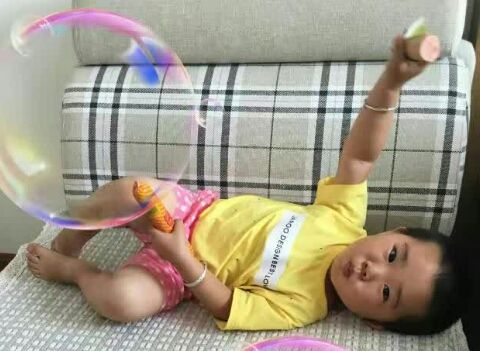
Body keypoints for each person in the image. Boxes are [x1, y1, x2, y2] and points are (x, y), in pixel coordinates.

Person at [25, 34, 468, 335]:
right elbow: (360, 157)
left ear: (374, 322)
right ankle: (72, 240)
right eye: (393, 255)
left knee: (122, 302)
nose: (374, 272)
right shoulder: (344, 219)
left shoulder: (303, 306)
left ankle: (76, 271)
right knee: (129, 190)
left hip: (183, 271)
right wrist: (390, 85)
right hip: (194, 212)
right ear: (396, 232)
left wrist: (179, 257)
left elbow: (225, 305)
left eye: (387, 294)